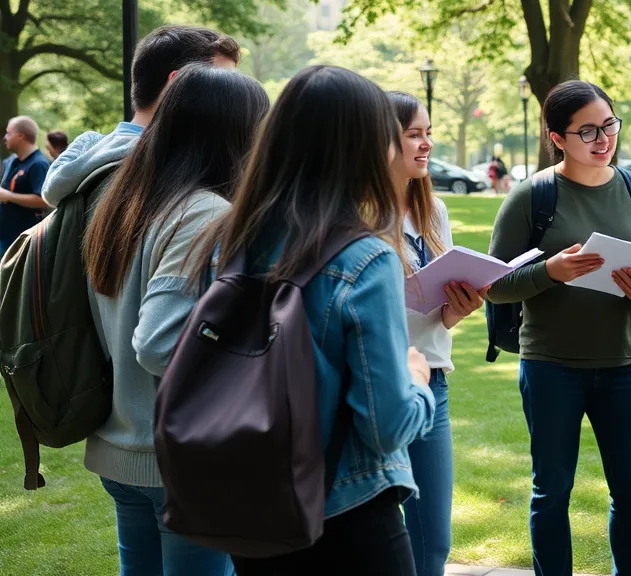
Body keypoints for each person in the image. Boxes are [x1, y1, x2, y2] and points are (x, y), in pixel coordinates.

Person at [195, 66, 436, 575]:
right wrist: (419, 382)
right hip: (346, 505)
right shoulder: (365, 257)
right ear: (365, 147)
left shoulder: (232, 237)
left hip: (251, 497)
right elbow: (388, 424)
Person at [486, 80, 631, 576]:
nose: (603, 139)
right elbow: (492, 285)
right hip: (552, 367)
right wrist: (550, 272)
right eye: (587, 130)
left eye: (609, 124)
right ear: (557, 138)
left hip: (626, 364)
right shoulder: (533, 197)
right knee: (551, 491)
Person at [80, 65, 269, 576]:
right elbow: (158, 342)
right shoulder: (204, 213)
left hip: (124, 446)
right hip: (181, 462)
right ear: (235, 133)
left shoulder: (124, 202)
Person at [388, 91, 486, 576]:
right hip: (376, 384)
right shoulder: (355, 216)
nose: (426, 144)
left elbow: (436, 315)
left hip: (433, 383)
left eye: (428, 133)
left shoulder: (434, 212)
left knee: (432, 539)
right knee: (377, 536)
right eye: (414, 135)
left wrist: (457, 310)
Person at [42, 24, 242, 209]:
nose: (231, 96)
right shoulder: (174, 174)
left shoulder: (89, 156)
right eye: (220, 83)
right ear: (176, 84)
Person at [0, 116, 51, 255]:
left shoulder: (38, 164)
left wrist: (9, 196)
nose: (5, 137)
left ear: (20, 136)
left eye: (8, 133)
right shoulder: (13, 162)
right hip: (6, 238)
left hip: (23, 243)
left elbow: (43, 200)